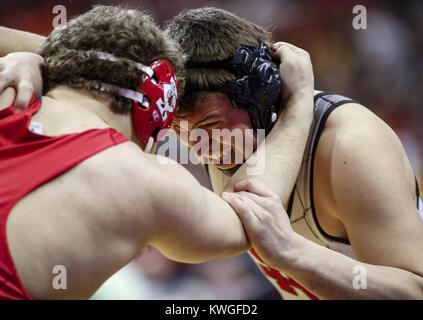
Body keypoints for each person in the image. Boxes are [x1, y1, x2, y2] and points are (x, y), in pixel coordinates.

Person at [0, 6, 314, 300]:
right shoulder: (144, 179)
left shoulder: (9, 93)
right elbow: (254, 220)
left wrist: (40, 60)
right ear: (158, 103)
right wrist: (298, 103)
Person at [163, 7, 423, 299]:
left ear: (261, 97)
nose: (198, 147)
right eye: (179, 129)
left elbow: (414, 291)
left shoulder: (351, 146)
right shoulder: (229, 144)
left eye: (211, 124)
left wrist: (290, 251)